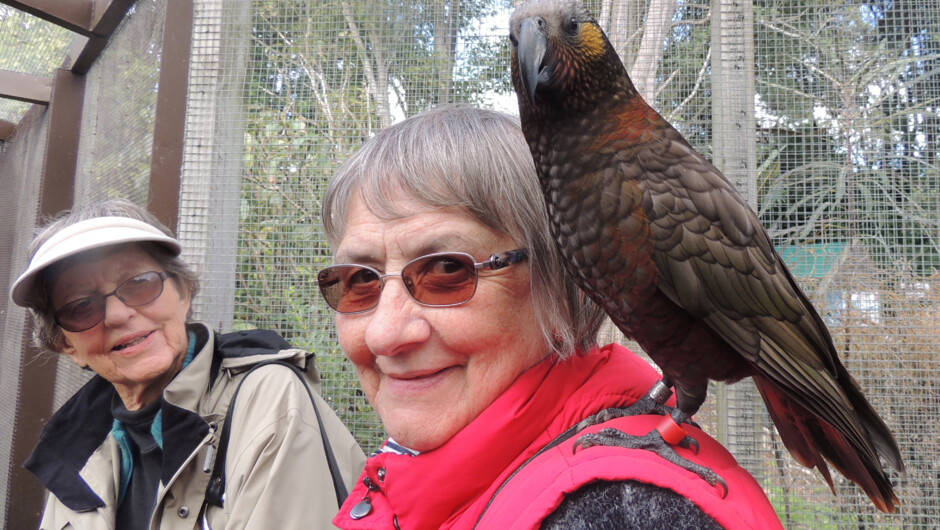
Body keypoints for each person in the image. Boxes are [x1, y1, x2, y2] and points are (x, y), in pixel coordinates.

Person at [318, 105, 783, 529]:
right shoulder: (433, 489)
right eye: (359, 279)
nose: (384, 334)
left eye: (447, 269)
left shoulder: (619, 511)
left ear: (566, 284)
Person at [10, 199, 366, 529]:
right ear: (65, 344)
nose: (118, 314)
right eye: (80, 306)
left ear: (184, 291)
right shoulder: (76, 457)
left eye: (138, 283)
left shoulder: (267, 397)